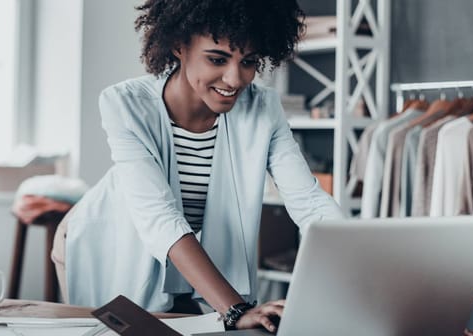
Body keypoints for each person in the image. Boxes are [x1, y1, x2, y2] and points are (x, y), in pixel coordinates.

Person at [51, 0, 343, 331]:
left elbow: (309, 202)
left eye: (248, 62)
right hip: (106, 239)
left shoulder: (263, 108)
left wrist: (357, 259)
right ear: (179, 45)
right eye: (217, 59)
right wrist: (234, 309)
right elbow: (160, 217)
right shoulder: (125, 104)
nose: (234, 79)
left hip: (183, 247)